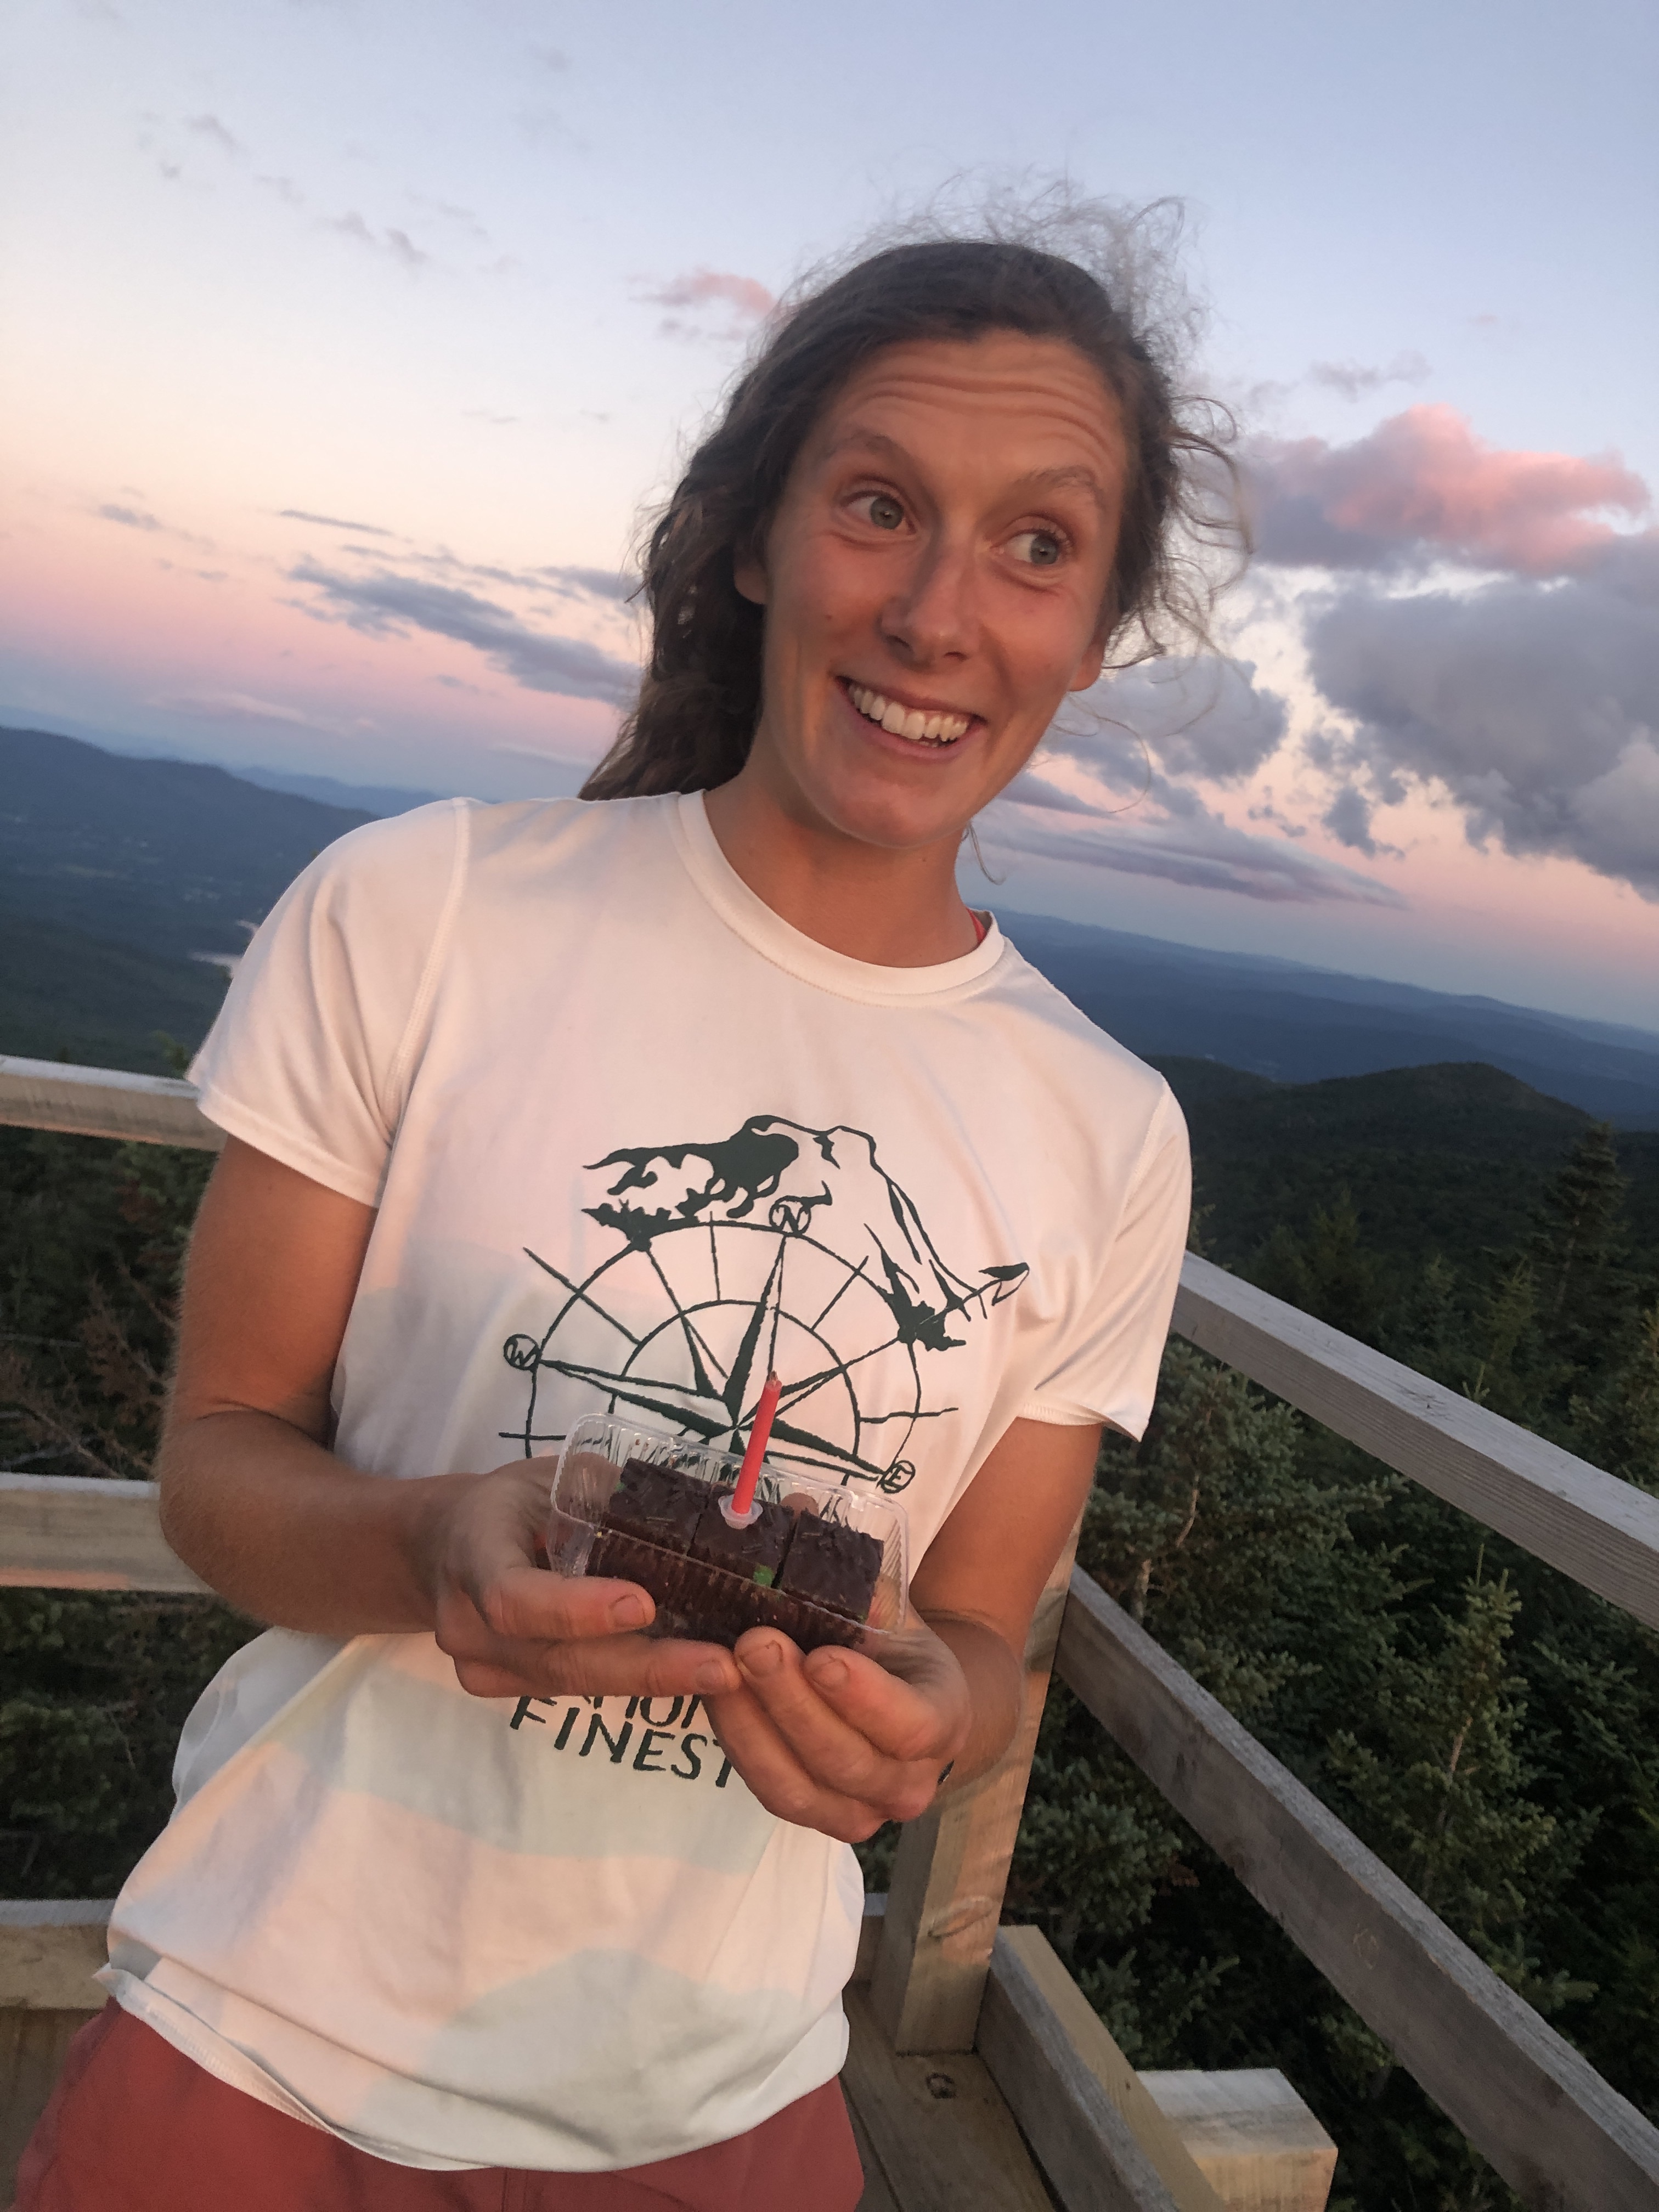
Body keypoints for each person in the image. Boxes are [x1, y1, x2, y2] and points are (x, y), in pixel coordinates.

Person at [20, 210, 1232, 2211]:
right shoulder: (422, 913)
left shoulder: (1111, 1133)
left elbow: (979, 1628)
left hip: (718, 2101)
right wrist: (434, 1545)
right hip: (263, 2031)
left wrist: (930, 1720)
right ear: (756, 538)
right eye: (877, 506)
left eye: (1037, 544)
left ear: (1094, 633)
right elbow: (218, 1468)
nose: (939, 615)